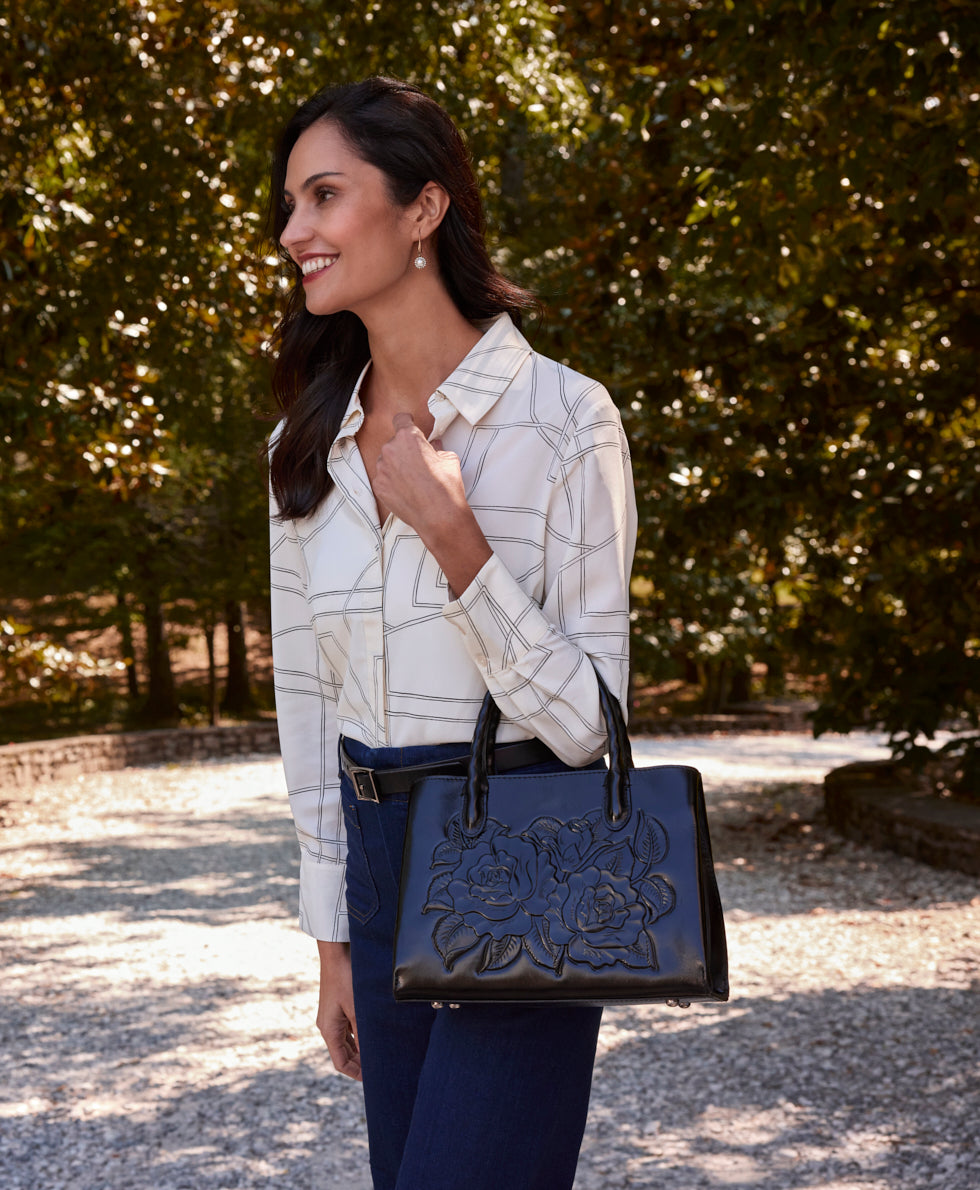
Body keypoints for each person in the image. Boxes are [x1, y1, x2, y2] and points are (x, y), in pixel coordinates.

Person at [266, 76, 637, 1190]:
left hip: (521, 849)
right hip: (377, 873)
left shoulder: (565, 420)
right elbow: (309, 710)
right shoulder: (306, 444)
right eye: (288, 205)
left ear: (421, 209)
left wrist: (453, 536)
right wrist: (332, 939)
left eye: (324, 196)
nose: (295, 233)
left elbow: (588, 726)